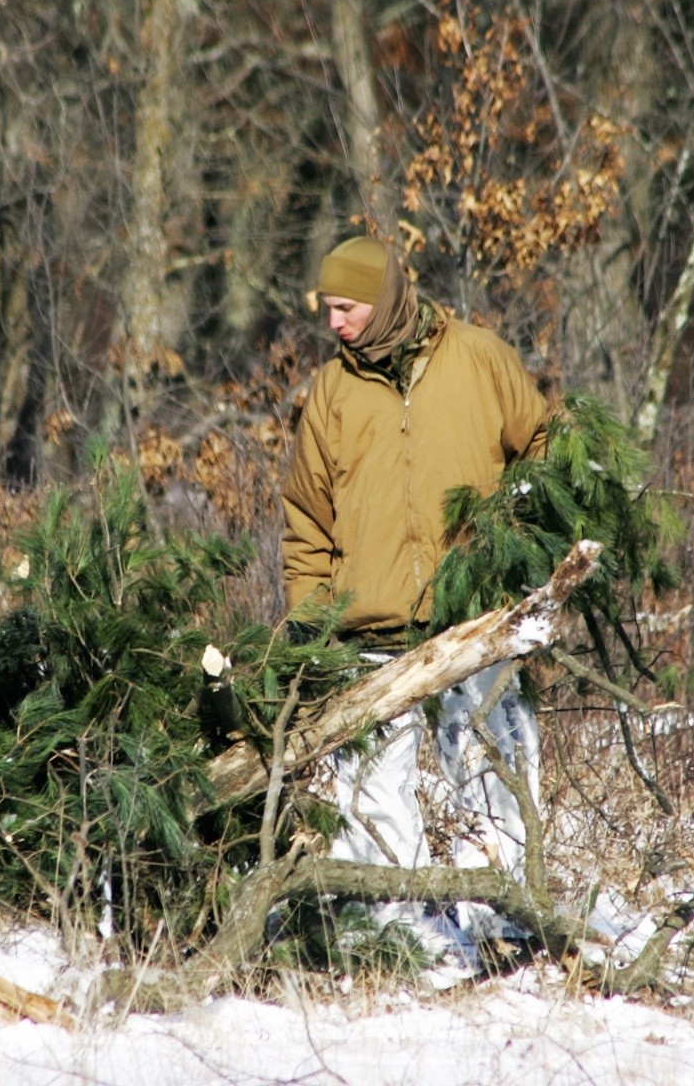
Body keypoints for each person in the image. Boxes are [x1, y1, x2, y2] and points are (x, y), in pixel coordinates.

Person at [281, 234, 549, 975]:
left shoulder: (479, 358)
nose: (335, 323)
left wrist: (518, 551)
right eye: (329, 310)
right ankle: (392, 934)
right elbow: (307, 522)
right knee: (374, 789)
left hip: (479, 622)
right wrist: (310, 631)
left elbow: (548, 452)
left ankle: (511, 925)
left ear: (386, 296)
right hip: (369, 632)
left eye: (346, 307)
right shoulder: (332, 393)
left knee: (495, 770)